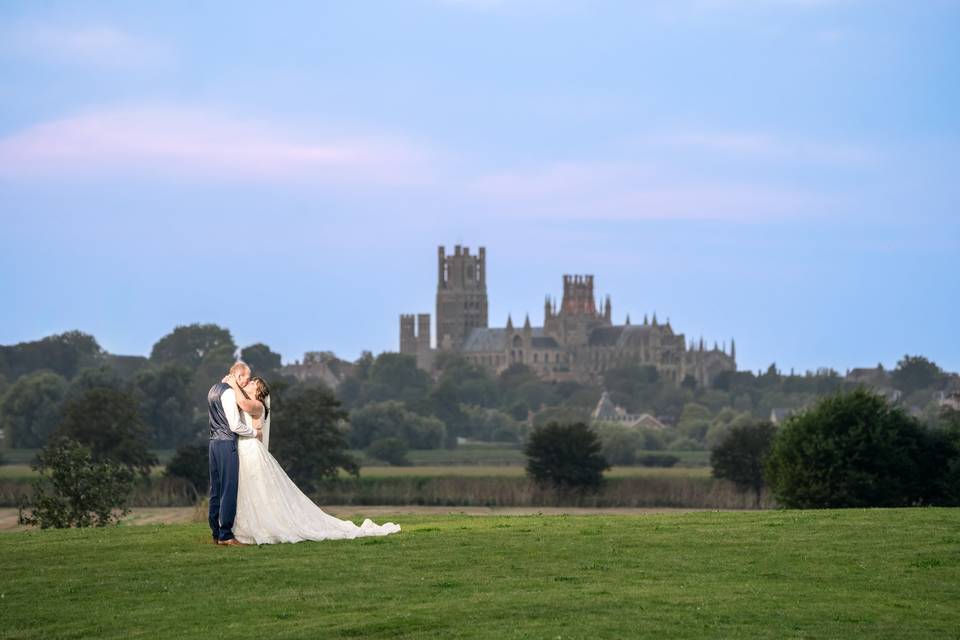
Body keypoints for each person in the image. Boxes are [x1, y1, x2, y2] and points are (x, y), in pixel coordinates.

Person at [221, 372, 401, 545]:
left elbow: (243, 403)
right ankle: (241, 528)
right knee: (249, 489)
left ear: (259, 392)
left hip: (251, 450)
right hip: (244, 450)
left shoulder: (257, 405)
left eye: (253, 383)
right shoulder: (247, 399)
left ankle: (257, 527)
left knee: (257, 488)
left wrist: (233, 384)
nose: (249, 382)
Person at [207, 362, 259, 546]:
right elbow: (234, 425)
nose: (248, 380)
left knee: (216, 489)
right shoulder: (229, 392)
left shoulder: (213, 389)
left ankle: (215, 531)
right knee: (229, 488)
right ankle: (226, 535)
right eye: (247, 377)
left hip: (213, 443)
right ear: (238, 376)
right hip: (226, 443)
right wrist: (254, 433)